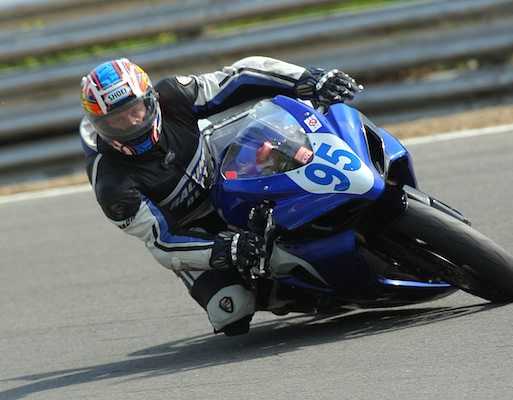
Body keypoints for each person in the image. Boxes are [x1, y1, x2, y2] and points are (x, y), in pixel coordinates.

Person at [79, 56, 362, 336]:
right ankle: (293, 293)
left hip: (225, 177)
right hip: (195, 230)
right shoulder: (112, 185)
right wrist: (227, 249)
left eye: (135, 111)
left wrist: (307, 79)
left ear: (150, 100)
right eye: (116, 121)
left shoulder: (174, 94)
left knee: (275, 127)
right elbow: (164, 243)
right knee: (231, 309)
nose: (132, 125)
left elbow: (240, 76)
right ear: (100, 125)